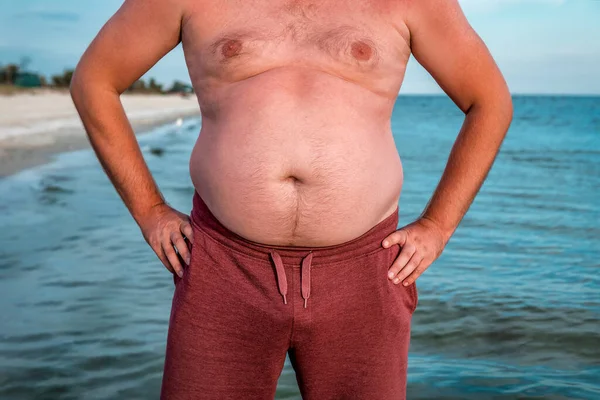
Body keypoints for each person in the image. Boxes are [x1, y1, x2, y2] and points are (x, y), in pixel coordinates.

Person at [70, 0, 513, 398]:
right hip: (224, 268)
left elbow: (489, 101)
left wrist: (438, 226)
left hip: (363, 269)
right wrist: (149, 211)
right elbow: (94, 80)